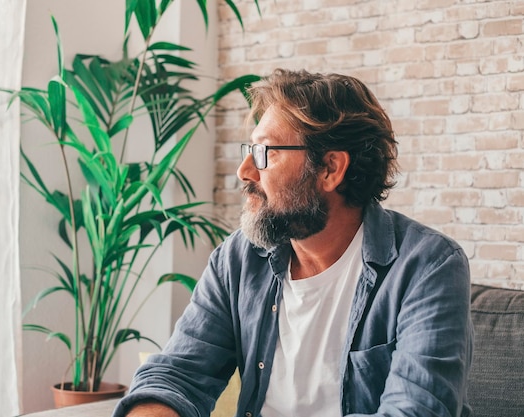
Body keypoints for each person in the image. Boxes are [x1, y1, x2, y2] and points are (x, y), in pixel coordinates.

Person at [112, 69, 474, 417]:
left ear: (330, 168)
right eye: (249, 150)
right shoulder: (239, 259)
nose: (245, 171)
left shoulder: (428, 266)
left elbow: (416, 410)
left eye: (265, 152)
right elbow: (177, 375)